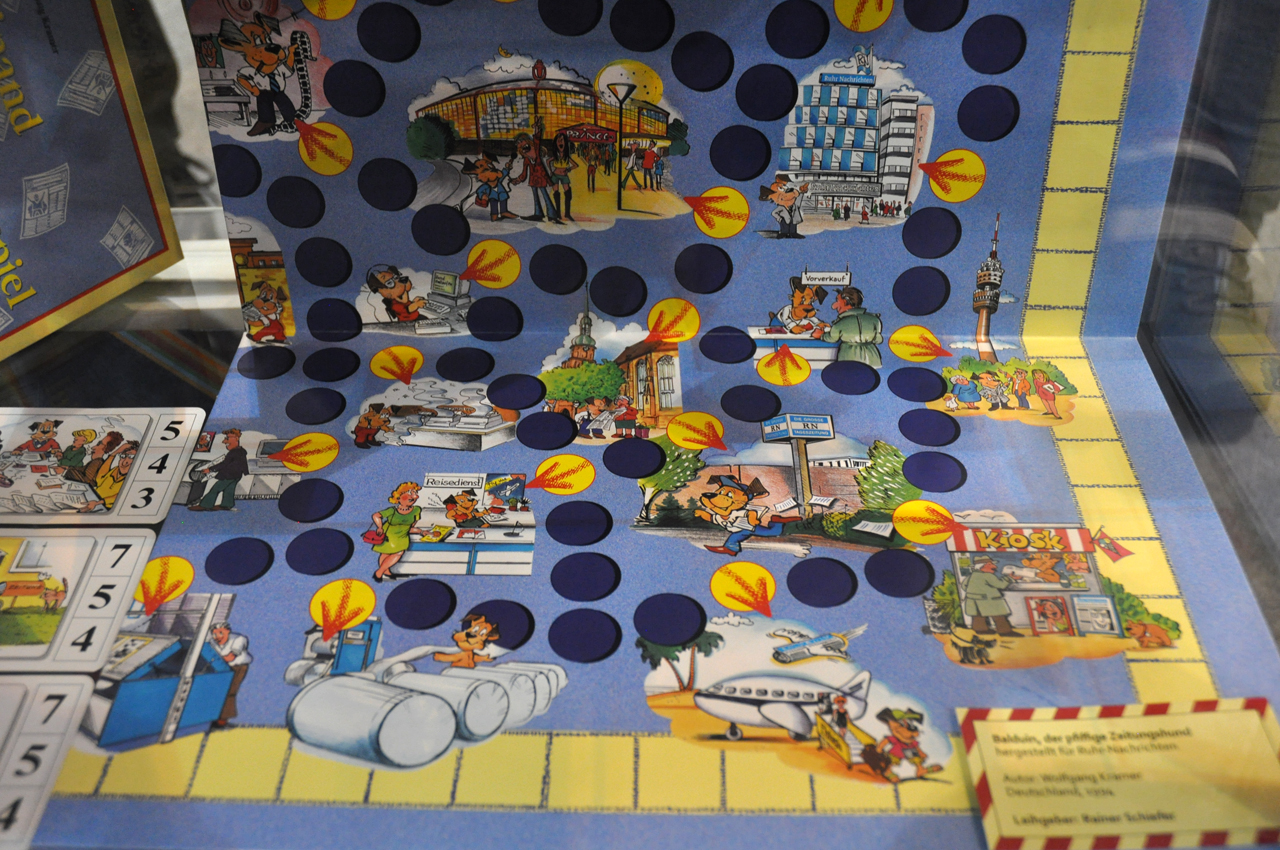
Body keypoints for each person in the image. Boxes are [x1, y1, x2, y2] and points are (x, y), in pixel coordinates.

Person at [695, 474, 801, 555]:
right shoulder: (720, 516)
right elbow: (711, 517)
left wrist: (752, 519)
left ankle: (731, 548)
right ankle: (776, 522)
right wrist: (702, 513)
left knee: (770, 532)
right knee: (768, 532)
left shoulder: (737, 511)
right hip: (742, 529)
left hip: (748, 527)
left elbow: (751, 512)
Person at [814, 286, 883, 367]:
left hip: (849, 357)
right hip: (872, 358)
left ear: (845, 302)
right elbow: (878, 340)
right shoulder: (875, 319)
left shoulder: (841, 323)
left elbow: (832, 338)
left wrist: (821, 335)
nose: (834, 306)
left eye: (837, 301)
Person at [371, 482, 426, 582]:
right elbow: (376, 516)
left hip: (403, 535)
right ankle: (385, 572)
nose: (413, 496)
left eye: (414, 493)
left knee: (398, 552)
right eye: (409, 493)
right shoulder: (392, 510)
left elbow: (414, 522)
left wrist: (417, 530)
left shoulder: (417, 510)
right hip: (389, 534)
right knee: (385, 553)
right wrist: (379, 527)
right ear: (398, 497)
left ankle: (380, 572)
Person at [870, 708, 942, 783]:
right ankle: (888, 771)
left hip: (910, 750)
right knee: (892, 761)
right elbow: (885, 741)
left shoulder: (911, 740)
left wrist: (921, 752)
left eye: (898, 727)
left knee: (916, 758)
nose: (895, 731)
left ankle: (921, 769)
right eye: (892, 729)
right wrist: (879, 749)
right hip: (897, 752)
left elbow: (916, 746)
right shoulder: (895, 738)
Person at [512, 116, 561, 223]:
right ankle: (538, 214)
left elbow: (537, 138)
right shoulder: (526, 159)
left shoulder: (536, 151)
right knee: (535, 197)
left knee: (545, 196)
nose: (521, 145)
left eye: (522, 142)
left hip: (541, 178)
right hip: (533, 180)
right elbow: (524, 173)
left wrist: (537, 127)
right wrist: (518, 180)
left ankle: (552, 215)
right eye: (519, 144)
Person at [190, 429, 248, 511]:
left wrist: (210, 469)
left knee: (215, 489)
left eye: (227, 438)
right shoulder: (241, 451)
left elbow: (224, 464)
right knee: (229, 490)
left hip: (229, 476)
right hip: (237, 475)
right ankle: (227, 505)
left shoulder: (234, 453)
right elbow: (243, 463)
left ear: (236, 438)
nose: (224, 441)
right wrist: (245, 472)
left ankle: (205, 505)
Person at [962, 557, 1021, 637]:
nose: (994, 566)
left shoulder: (972, 575)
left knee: (978, 617)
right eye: (990, 564)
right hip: (989, 601)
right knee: (999, 616)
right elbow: (1001, 585)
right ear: (982, 566)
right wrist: (1009, 578)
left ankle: (981, 630)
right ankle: (1005, 631)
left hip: (973, 601)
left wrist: (975, 592)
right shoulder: (988, 576)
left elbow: (964, 586)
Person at [208, 621, 252, 728]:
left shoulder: (239, 639)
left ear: (227, 631)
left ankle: (222, 720)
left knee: (229, 692)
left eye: (221, 633)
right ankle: (214, 718)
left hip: (237, 667)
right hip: (220, 668)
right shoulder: (212, 642)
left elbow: (230, 657)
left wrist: (213, 659)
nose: (217, 636)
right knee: (217, 692)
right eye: (214, 634)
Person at [80, 441, 139, 512]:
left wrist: (98, 503)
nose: (124, 462)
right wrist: (115, 453)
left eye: (131, 457)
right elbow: (99, 479)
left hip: (107, 509)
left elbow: (120, 496)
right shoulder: (115, 470)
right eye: (123, 456)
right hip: (93, 500)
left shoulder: (134, 479)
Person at [433, 613, 500, 668]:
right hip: (457, 670)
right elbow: (453, 657)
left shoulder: (469, 652)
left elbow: (473, 658)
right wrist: (439, 657)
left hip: (469, 670)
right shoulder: (462, 653)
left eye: (482, 634)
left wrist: (483, 658)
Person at [547, 131, 579, 221]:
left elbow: (575, 165)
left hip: (564, 176)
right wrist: (551, 171)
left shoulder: (566, 156)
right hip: (555, 175)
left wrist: (568, 169)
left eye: (562, 140)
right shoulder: (555, 155)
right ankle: (558, 214)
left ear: (565, 142)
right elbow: (548, 161)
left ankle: (567, 213)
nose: (560, 142)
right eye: (558, 141)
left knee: (568, 193)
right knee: (556, 193)